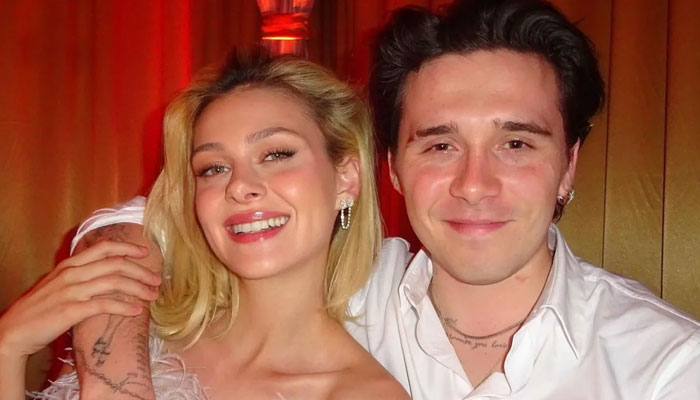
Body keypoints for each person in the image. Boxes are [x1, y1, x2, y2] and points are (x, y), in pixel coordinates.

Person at [44, 0, 700, 398]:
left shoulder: (666, 368)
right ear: (389, 168)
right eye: (439, 145)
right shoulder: (349, 283)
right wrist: (115, 384)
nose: (474, 183)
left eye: (516, 144)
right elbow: (138, 222)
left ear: (567, 166)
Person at [0, 51, 409, 399]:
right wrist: (8, 350)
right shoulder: (134, 331)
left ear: (346, 178)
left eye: (277, 154)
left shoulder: (363, 392)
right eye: (213, 168)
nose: (240, 186)